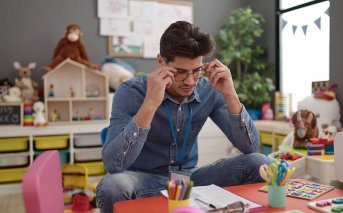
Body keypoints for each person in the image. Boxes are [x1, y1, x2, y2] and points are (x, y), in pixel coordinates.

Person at [96, 21, 271, 212]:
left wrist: (231, 94)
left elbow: (250, 147)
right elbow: (114, 165)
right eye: (180, 73)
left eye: (196, 71)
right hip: (143, 180)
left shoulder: (209, 90)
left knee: (260, 163)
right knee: (112, 186)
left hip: (190, 179)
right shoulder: (131, 91)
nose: (189, 81)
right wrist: (151, 103)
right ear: (161, 62)